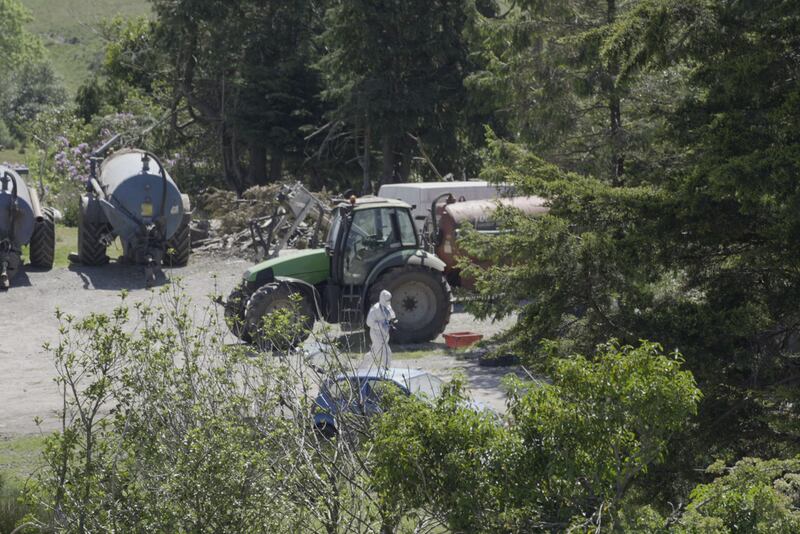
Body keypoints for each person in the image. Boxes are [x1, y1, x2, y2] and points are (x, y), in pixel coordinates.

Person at [362, 289, 396, 369]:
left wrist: (391, 321)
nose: (388, 301)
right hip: (376, 333)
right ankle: (386, 369)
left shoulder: (388, 307)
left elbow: (392, 316)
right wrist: (380, 325)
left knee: (375, 353)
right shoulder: (375, 309)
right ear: (382, 299)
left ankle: (362, 367)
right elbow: (368, 322)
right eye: (387, 300)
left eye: (389, 299)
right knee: (386, 351)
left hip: (385, 333)